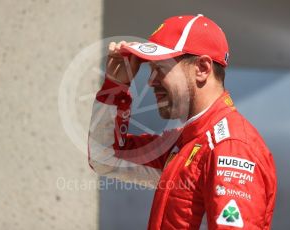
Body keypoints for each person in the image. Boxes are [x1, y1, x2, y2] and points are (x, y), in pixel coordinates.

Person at [88, 14, 277, 229]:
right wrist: (115, 88)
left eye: (160, 69)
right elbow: (104, 158)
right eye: (150, 70)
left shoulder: (231, 147)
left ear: (202, 68)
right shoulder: (186, 142)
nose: (150, 82)